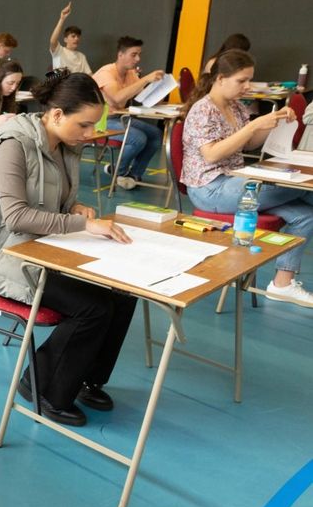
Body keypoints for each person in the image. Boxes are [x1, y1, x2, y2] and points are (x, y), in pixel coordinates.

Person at [0, 70, 137, 426]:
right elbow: (18, 217)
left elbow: (53, 201)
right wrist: (84, 224)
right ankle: (44, 387)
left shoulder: (65, 145)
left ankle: (87, 378)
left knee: (122, 293)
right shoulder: (13, 145)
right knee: (94, 308)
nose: (89, 134)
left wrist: (76, 207)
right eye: (83, 125)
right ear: (56, 115)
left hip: (44, 250)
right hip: (1, 258)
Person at [182, 49, 313, 305]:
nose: (247, 86)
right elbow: (211, 154)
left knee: (307, 215)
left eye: (249, 80)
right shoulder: (202, 110)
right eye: (241, 80)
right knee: (304, 189)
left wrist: (271, 124)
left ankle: (281, 284)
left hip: (237, 182)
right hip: (210, 188)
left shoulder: (235, 107)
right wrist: (254, 124)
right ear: (220, 79)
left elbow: (249, 144)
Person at [92, 36, 166, 189]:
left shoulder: (131, 74)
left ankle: (134, 175)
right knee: (137, 138)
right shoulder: (106, 73)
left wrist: (162, 87)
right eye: (134, 54)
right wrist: (145, 79)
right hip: (100, 121)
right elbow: (118, 99)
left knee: (156, 134)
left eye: (139, 54)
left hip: (119, 117)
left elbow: (145, 98)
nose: (138, 59)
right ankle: (118, 171)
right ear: (120, 55)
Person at [49, 2, 91, 74]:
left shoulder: (81, 57)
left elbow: (89, 75)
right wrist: (62, 19)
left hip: (78, 85)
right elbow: (53, 41)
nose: (76, 39)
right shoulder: (59, 51)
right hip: (61, 84)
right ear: (65, 39)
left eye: (78, 37)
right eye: (73, 36)